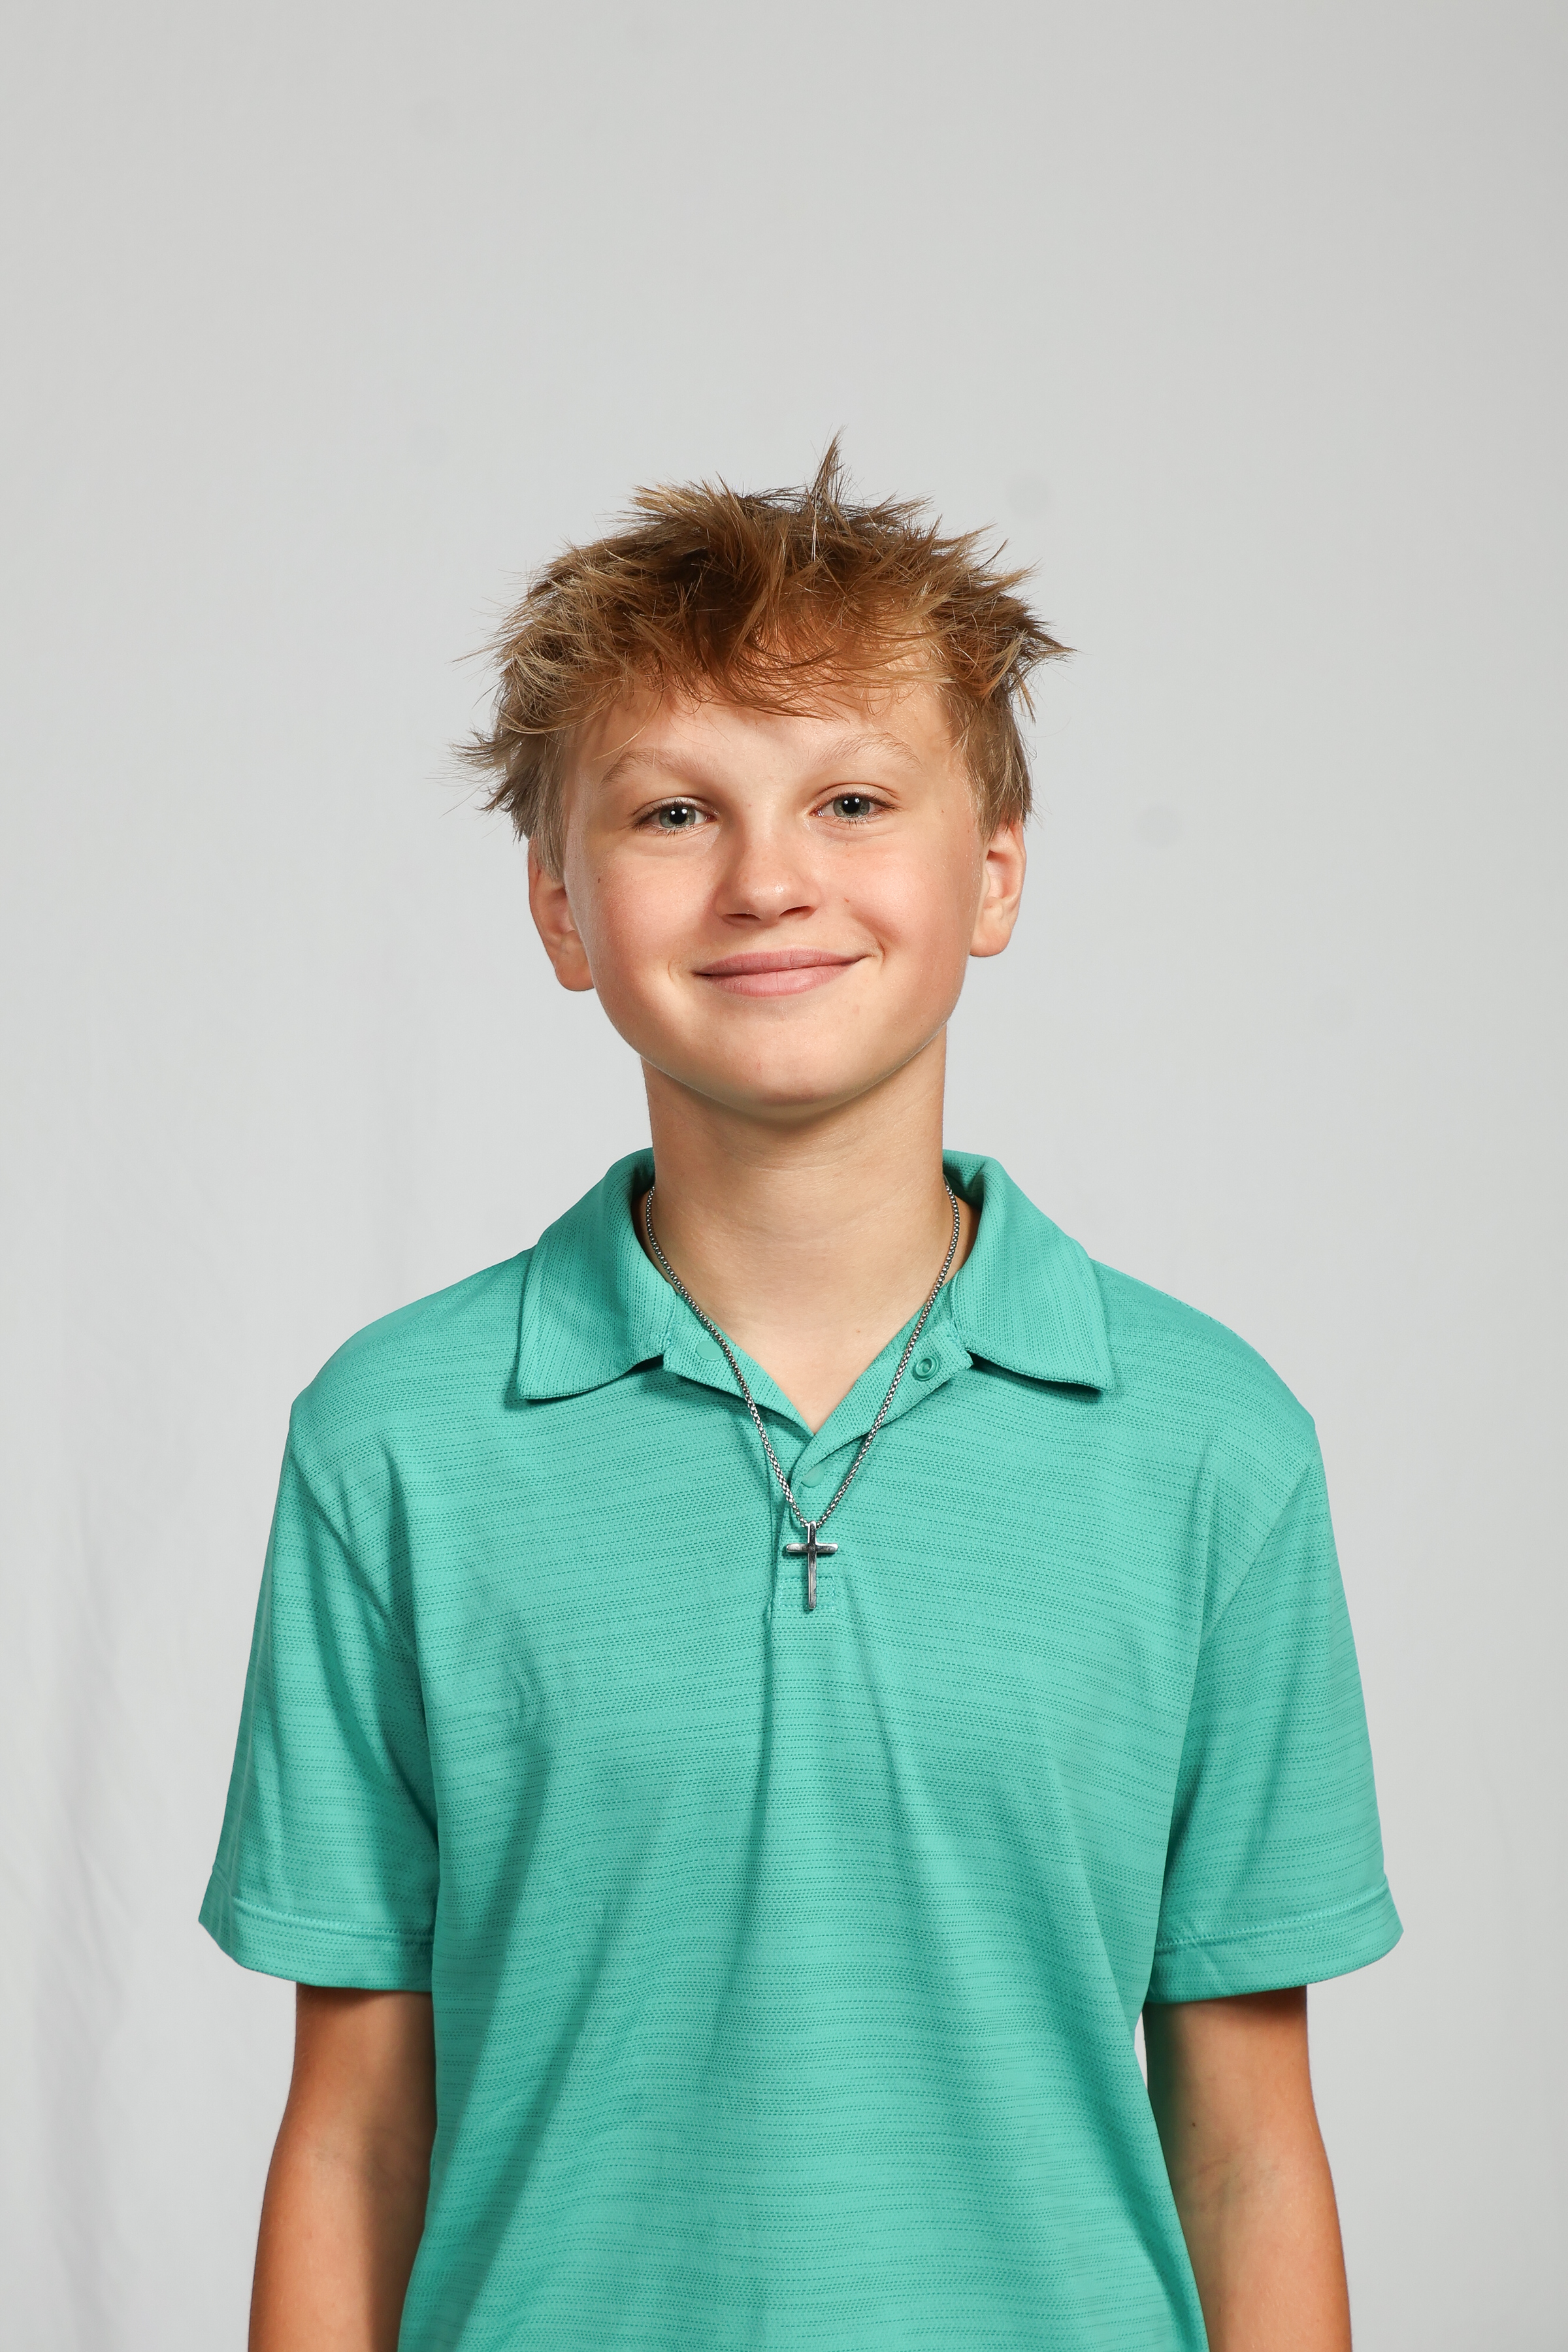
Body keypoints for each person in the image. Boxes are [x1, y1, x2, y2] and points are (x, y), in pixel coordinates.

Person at [202, 449, 1401, 2352]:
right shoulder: (395, 1443)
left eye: (852, 799)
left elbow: (1250, 2143)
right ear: (560, 908)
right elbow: (354, 2131)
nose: (768, 878)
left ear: (993, 871)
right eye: (675, 810)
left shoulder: (1211, 1449)